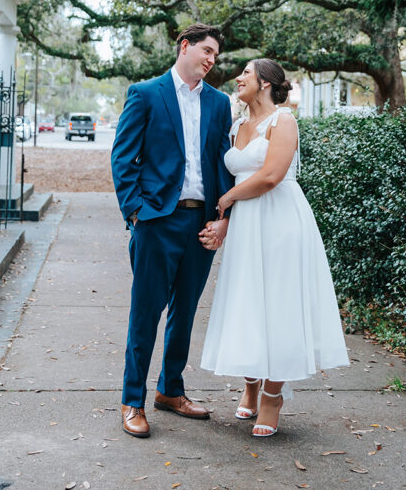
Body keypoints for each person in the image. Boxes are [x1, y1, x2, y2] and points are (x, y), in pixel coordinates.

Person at [200, 58, 349, 437]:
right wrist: (225, 219)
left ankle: (272, 395)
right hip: (246, 226)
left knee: (280, 305)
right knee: (248, 302)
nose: (239, 78)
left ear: (265, 82)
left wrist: (227, 199)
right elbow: (235, 175)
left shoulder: (284, 121)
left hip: (280, 221)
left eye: (246, 74)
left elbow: (270, 176)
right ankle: (250, 384)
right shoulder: (237, 126)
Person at [111, 23, 233, 438]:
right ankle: (132, 400)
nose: (211, 59)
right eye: (207, 51)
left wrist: (223, 218)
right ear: (185, 46)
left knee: (185, 313)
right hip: (157, 222)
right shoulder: (146, 94)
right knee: (146, 312)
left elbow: (221, 163)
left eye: (215, 55)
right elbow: (123, 158)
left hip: (201, 224)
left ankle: (171, 391)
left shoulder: (219, 103)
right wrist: (136, 213)